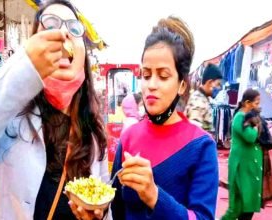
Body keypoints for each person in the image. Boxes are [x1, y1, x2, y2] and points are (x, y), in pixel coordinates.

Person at [0, 1, 109, 219]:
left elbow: (103, 203)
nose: (63, 34)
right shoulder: (10, 110)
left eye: (73, 28)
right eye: (50, 25)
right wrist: (20, 72)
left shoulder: (93, 129)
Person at [111, 16, 219, 219]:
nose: (151, 84)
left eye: (163, 76)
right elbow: (115, 209)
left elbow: (203, 216)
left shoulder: (201, 146)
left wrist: (153, 195)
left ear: (182, 85)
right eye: (146, 74)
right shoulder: (128, 138)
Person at [221, 88, 262, 220]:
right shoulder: (239, 118)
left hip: (247, 166)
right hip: (241, 167)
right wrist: (255, 128)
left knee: (247, 201)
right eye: (256, 103)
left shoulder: (246, 117)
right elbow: (250, 137)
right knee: (239, 204)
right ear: (247, 103)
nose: (258, 106)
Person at [185, 63, 222, 132]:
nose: (219, 88)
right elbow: (194, 134)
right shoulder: (198, 101)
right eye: (218, 84)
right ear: (209, 82)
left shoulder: (203, 98)